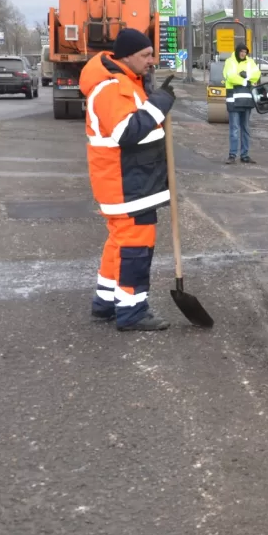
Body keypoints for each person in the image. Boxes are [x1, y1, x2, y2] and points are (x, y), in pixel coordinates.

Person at [80, 27, 176, 332]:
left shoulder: (126, 83)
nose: (152, 60)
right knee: (135, 245)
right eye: (146, 55)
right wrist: (158, 104)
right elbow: (127, 132)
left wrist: (153, 99)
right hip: (125, 182)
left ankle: (106, 302)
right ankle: (132, 311)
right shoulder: (111, 88)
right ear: (127, 56)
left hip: (131, 181)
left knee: (120, 243)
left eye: (152, 54)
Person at [222, 44, 259, 164]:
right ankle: (232, 155)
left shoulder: (250, 62)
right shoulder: (230, 61)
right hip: (233, 99)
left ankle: (245, 155)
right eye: (241, 52)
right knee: (234, 129)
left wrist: (245, 77)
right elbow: (230, 77)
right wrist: (245, 81)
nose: (243, 54)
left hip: (247, 100)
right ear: (237, 51)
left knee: (245, 128)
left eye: (245, 52)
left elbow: (256, 75)